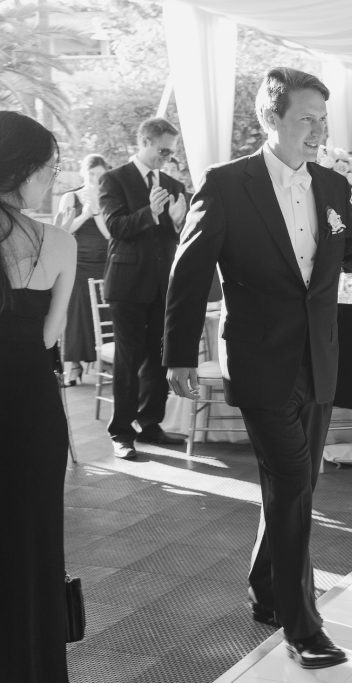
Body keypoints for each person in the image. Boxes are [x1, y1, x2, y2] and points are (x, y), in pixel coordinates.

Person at [163, 67, 352, 670]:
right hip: (260, 359)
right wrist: (179, 354)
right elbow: (188, 272)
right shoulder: (227, 184)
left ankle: (266, 590)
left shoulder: (334, 187)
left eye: (323, 120)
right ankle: (301, 622)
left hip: (319, 357)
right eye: (306, 118)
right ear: (271, 118)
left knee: (296, 485)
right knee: (291, 485)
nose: (318, 131)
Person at [0, 111, 77, 683]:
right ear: (22, 170)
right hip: (28, 400)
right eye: (49, 169)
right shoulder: (56, 242)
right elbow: (51, 335)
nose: (51, 181)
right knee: (33, 538)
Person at [99, 117, 188, 459]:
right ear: (145, 141)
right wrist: (149, 212)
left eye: (172, 152)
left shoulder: (170, 182)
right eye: (164, 150)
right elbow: (114, 227)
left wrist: (178, 222)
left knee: (158, 359)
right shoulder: (114, 179)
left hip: (161, 284)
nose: (168, 157)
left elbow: (171, 238)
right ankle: (121, 432)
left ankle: (150, 423)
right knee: (129, 358)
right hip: (127, 285)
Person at [55, 153, 111, 385]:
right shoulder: (70, 197)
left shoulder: (110, 197)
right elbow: (61, 231)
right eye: (91, 174)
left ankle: (106, 362)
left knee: (105, 313)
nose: (96, 179)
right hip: (77, 263)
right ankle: (74, 367)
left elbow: (111, 235)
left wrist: (97, 210)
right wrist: (86, 212)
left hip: (104, 262)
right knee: (77, 313)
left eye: (100, 174)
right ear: (83, 173)